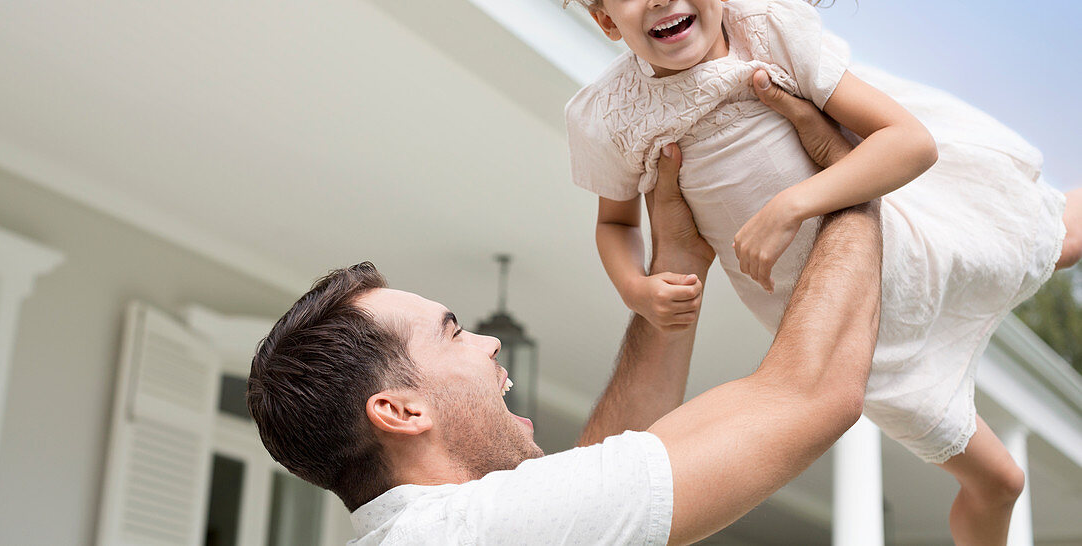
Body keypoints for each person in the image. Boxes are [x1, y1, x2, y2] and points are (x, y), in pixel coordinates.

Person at [556, 0, 1082, 545]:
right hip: (839, 342)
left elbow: (909, 143)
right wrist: (637, 287)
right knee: (1000, 481)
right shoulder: (608, 113)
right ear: (605, 18)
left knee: (1060, 238)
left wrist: (792, 206)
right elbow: (617, 223)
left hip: (897, 248)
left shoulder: (766, 31)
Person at [247, 83, 882, 545]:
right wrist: (852, 177)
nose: (489, 343)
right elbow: (810, 394)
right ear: (401, 410)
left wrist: (679, 259)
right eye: (453, 334)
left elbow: (596, 483)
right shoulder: (468, 533)